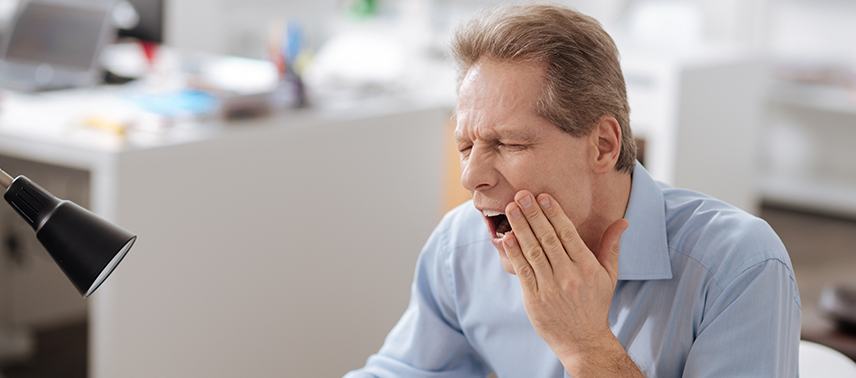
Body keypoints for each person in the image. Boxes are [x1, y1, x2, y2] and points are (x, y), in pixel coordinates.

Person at [346, 4, 800, 377]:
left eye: (508, 143)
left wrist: (586, 347)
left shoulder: (739, 266)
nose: (471, 177)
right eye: (466, 146)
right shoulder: (458, 247)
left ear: (602, 145)